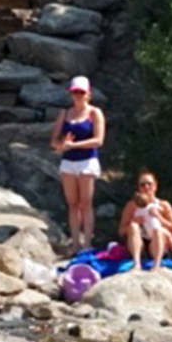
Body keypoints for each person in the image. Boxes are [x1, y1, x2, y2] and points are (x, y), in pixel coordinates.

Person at [50, 76, 105, 251]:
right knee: (73, 204)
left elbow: (98, 140)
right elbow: (54, 140)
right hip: (69, 161)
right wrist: (61, 145)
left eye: (81, 92)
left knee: (86, 203)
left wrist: (74, 145)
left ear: (88, 94)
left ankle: (87, 242)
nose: (78, 96)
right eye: (75, 92)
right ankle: (75, 242)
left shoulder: (94, 113)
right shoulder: (65, 113)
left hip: (87, 161)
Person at [119, 171, 172, 269]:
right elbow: (121, 231)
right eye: (143, 185)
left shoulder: (164, 205)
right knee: (133, 227)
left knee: (159, 230)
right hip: (140, 241)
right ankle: (136, 263)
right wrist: (134, 221)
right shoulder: (131, 205)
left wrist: (160, 219)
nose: (146, 187)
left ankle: (156, 264)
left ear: (155, 186)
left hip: (158, 240)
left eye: (149, 184)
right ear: (139, 188)